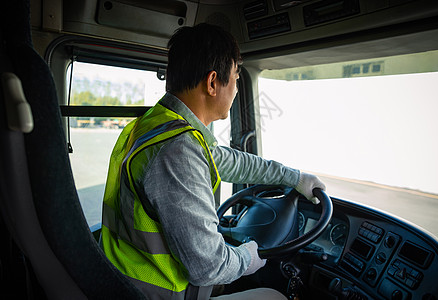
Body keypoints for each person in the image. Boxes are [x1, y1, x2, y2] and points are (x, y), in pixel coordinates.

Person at [100, 23, 326, 300]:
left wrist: (294, 178)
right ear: (212, 83)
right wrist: (248, 257)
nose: (235, 88)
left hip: (124, 280)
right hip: (157, 293)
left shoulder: (156, 126)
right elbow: (209, 266)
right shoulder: (178, 150)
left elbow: (229, 161)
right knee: (273, 296)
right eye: (235, 78)